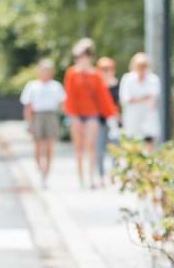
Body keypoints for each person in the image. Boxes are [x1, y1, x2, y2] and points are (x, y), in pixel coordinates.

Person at [61, 39, 117, 189]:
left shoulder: (95, 75)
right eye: (79, 56)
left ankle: (91, 178)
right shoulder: (72, 73)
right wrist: (70, 114)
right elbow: (69, 95)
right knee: (78, 146)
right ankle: (81, 179)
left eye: (85, 55)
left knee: (91, 145)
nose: (82, 59)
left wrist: (111, 112)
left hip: (92, 112)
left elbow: (102, 96)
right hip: (76, 113)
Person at [20, 59, 66, 188]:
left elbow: (62, 103)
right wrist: (28, 122)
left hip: (51, 115)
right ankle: (40, 170)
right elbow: (27, 106)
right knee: (38, 145)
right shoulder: (32, 85)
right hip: (37, 116)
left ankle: (47, 173)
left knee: (50, 146)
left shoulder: (56, 86)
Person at [118, 52, 161, 146]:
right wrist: (144, 98)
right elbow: (126, 99)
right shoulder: (127, 79)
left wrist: (137, 99)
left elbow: (153, 97)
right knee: (133, 144)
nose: (142, 69)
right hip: (132, 119)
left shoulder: (153, 79)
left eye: (144, 66)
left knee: (149, 142)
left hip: (148, 118)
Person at [94, 56, 121, 187]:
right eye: (103, 69)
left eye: (108, 69)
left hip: (113, 121)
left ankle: (114, 174)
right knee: (99, 149)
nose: (106, 71)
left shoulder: (117, 84)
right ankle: (100, 176)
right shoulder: (96, 85)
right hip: (99, 120)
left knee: (115, 149)